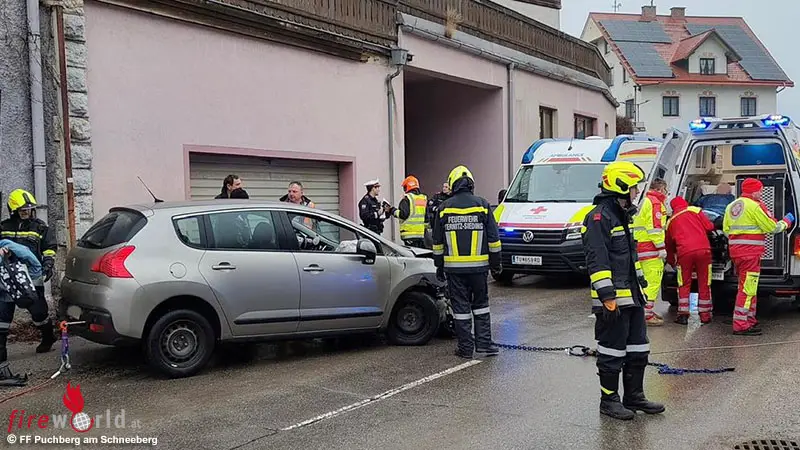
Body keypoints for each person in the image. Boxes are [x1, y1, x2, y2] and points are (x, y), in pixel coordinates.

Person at [582, 161, 664, 421]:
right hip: (614, 300)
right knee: (611, 352)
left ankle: (634, 396)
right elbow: (597, 259)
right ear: (620, 188)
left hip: (633, 297)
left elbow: (630, 258)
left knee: (638, 349)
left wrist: (642, 290)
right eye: (633, 188)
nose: (636, 192)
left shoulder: (623, 215)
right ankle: (609, 400)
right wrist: (607, 297)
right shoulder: (599, 217)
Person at [432, 166, 502, 359]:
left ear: (453, 184)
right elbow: (494, 240)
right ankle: (484, 345)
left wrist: (439, 266)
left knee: (461, 309)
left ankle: (465, 348)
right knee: (481, 305)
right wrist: (496, 264)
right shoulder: (483, 205)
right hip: (479, 269)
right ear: (471, 183)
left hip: (454, 270)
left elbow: (437, 242)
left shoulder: (443, 208)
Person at [722, 178, 794, 336]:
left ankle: (749, 319)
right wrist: (787, 222)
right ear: (754, 191)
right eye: (760, 190)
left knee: (748, 286)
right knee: (747, 289)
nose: (761, 193)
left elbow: (726, 230)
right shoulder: (755, 206)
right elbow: (772, 227)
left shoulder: (731, 206)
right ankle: (741, 324)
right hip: (751, 254)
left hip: (737, 253)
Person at [0, 189, 57, 354]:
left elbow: (49, 248)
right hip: (7, 277)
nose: (26, 213)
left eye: (29, 210)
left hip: (31, 278)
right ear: (13, 210)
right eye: (22, 210)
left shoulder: (40, 227)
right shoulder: (4, 227)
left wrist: (47, 265)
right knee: (3, 316)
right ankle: (1, 354)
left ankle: (48, 337)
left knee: (39, 314)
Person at [665, 196, 715, 325]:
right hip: (704, 250)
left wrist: (672, 262)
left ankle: (683, 315)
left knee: (683, 283)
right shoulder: (695, 210)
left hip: (684, 253)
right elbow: (709, 227)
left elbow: (669, 246)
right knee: (704, 282)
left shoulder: (670, 222)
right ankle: (705, 315)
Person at [0, 240, 42, 386]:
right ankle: (3, 374)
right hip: (6, 294)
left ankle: (3, 373)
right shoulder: (6, 245)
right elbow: (35, 265)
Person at [632, 178, 668, 326]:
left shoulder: (644, 201)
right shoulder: (655, 203)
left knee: (641, 281)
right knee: (652, 280)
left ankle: (643, 311)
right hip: (650, 249)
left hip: (639, 246)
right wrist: (661, 248)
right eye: (665, 190)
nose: (666, 193)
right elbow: (654, 228)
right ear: (660, 189)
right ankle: (647, 314)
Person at [386, 176, 428, 248]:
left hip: (409, 234)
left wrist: (392, 210)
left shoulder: (407, 198)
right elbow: (427, 217)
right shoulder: (423, 198)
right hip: (421, 234)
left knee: (411, 257)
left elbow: (403, 214)